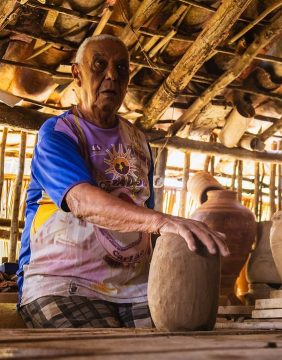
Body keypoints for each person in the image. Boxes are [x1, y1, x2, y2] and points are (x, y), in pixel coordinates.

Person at [17, 34, 229, 328]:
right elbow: (81, 201)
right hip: (63, 283)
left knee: (183, 343)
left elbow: (146, 224)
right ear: (76, 74)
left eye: (121, 69)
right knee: (105, 351)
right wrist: (163, 221)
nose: (111, 76)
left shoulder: (138, 141)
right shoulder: (58, 134)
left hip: (135, 290)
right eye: (99, 65)